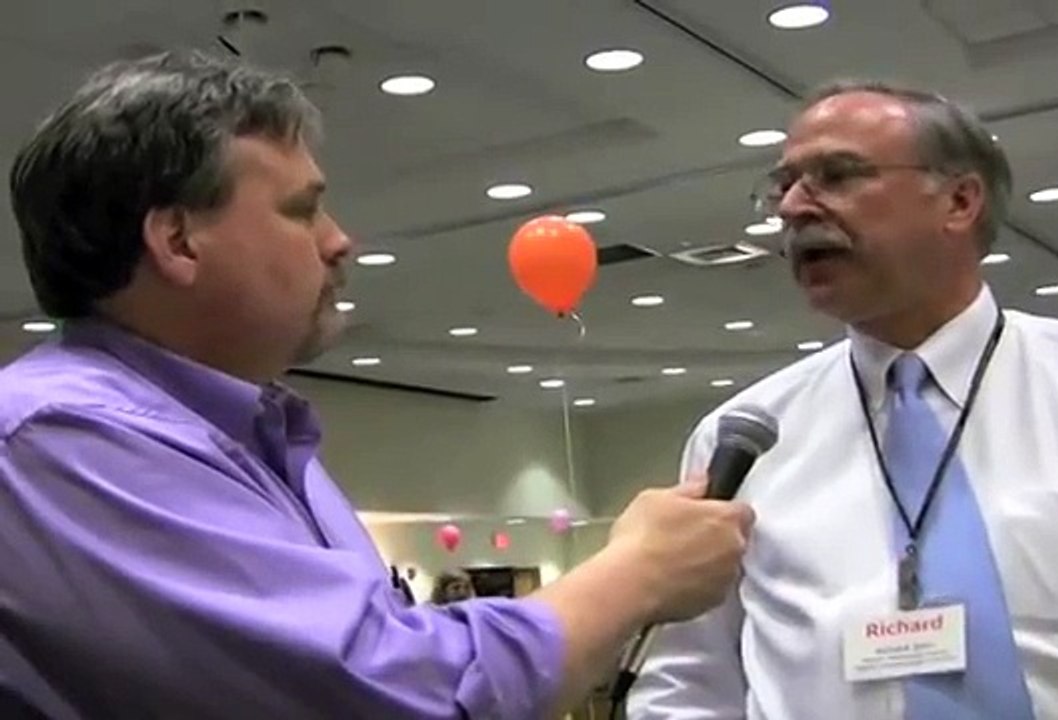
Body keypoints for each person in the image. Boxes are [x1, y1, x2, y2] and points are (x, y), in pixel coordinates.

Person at [0, 51, 756, 719]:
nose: (339, 240)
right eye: (301, 210)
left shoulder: (259, 436)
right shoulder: (58, 438)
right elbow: (396, 695)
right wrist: (635, 576)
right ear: (177, 241)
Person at [628, 80, 1058, 719]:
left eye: (836, 175)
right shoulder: (742, 440)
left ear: (959, 201)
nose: (793, 207)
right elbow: (686, 685)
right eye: (782, 184)